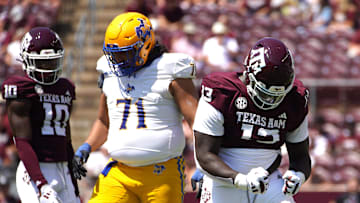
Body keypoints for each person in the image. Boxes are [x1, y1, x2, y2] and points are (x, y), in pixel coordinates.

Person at [72, 12, 198, 203]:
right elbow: (104, 121)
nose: (119, 59)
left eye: (125, 52)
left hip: (161, 172)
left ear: (145, 45)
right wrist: (87, 146)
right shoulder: (109, 72)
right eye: (115, 53)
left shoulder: (169, 70)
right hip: (119, 171)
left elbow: (198, 121)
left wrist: (202, 165)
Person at [192, 37, 312, 203]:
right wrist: (240, 179)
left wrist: (297, 175)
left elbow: (300, 156)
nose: (272, 100)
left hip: (268, 180)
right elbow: (204, 155)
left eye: (278, 94)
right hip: (225, 182)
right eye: (265, 93)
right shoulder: (222, 92)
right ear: (249, 76)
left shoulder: (295, 98)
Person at [1, 27, 80, 203]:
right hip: (35, 169)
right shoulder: (22, 89)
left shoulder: (65, 88)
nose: (48, 69)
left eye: (52, 62)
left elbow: (65, 134)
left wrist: (71, 162)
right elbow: (22, 141)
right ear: (27, 61)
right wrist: (41, 183)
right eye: (42, 63)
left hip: (62, 168)